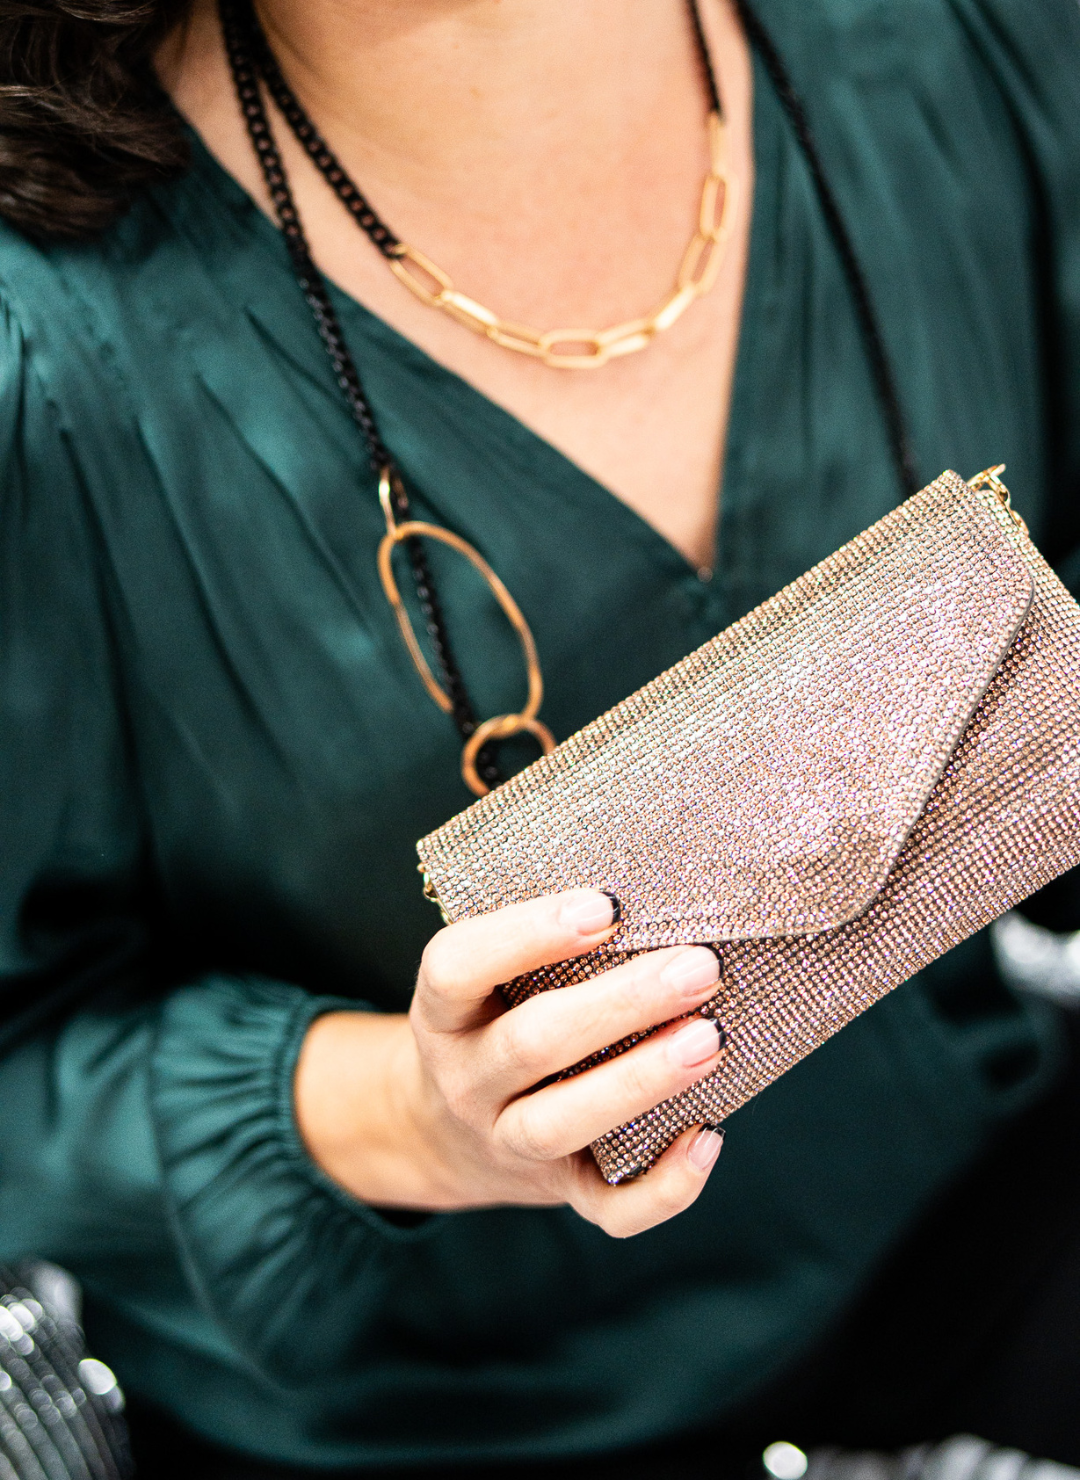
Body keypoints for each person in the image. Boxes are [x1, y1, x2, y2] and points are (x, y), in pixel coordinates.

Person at [0, 0, 1079, 1475]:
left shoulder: (962, 39)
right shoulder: (46, 357)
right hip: (463, 1405)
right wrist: (418, 1116)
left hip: (972, 1187)